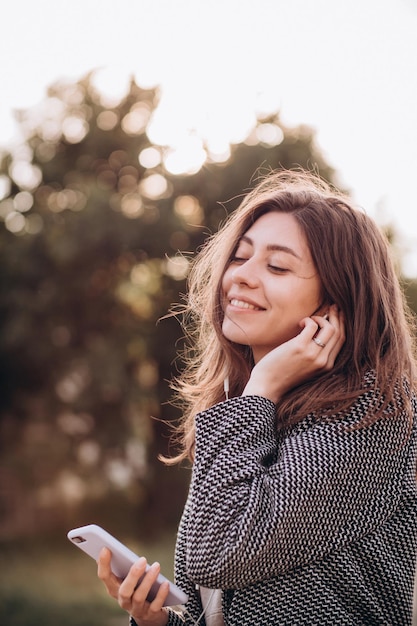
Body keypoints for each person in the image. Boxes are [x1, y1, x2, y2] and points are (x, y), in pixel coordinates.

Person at [98, 169, 417, 625]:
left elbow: (223, 552)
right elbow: (213, 602)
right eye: (240, 257)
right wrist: (157, 620)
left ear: (335, 303)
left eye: (277, 266)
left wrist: (262, 387)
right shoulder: (245, 412)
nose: (240, 276)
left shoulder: (371, 411)